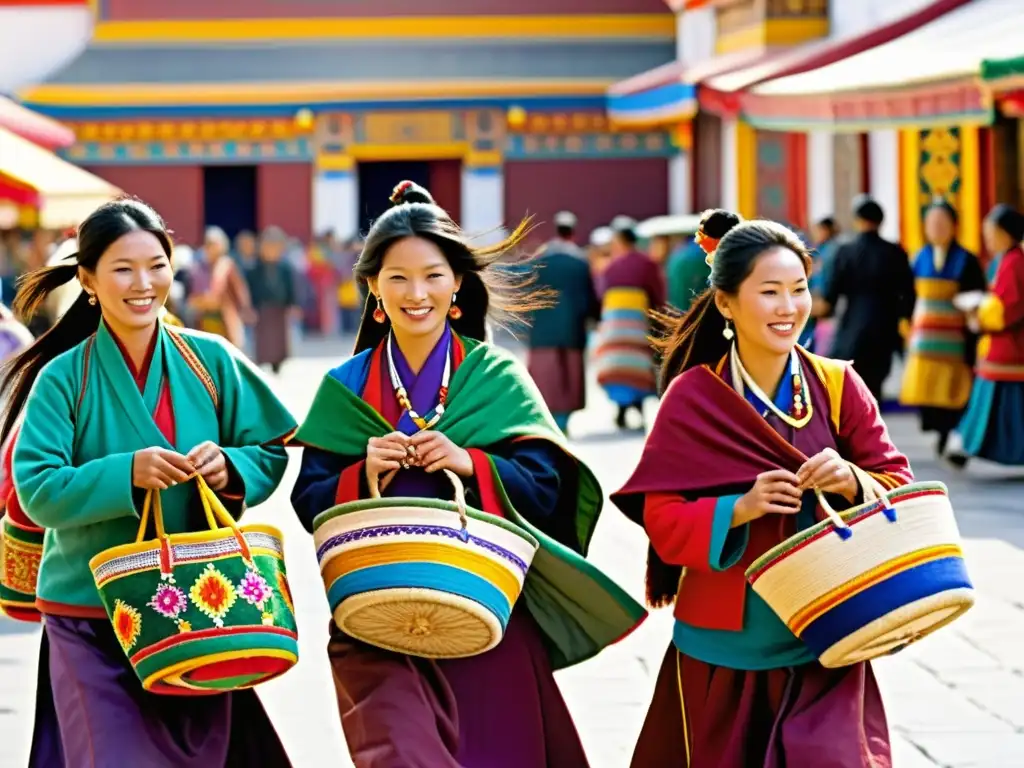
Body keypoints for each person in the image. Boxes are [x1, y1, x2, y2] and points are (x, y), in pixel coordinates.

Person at [289, 181, 645, 768]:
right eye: (397, 277)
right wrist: (361, 473)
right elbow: (309, 501)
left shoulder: (496, 377)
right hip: (376, 614)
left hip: (486, 610)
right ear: (373, 288)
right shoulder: (345, 387)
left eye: (432, 275)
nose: (416, 292)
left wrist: (469, 463)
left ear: (458, 284)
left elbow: (547, 490)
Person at [3, 198, 298, 766]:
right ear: (88, 279)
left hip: (198, 607)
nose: (144, 283)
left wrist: (231, 467)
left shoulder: (211, 359)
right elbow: (37, 489)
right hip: (88, 617)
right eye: (122, 269)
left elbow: (270, 447)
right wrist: (126, 474)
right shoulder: (63, 377)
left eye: (156, 265)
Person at [611, 219, 913, 767]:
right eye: (769, 291)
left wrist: (852, 479)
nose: (788, 306)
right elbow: (663, 516)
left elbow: (900, 486)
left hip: (826, 633)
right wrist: (738, 508)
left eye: (798, 289)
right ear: (726, 304)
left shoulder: (839, 385)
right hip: (726, 645)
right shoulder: (695, 396)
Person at [899, 200, 986, 456]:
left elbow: (976, 295)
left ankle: (950, 432)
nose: (936, 228)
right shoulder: (918, 257)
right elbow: (908, 296)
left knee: (955, 390)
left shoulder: (966, 259)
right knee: (928, 393)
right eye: (932, 223)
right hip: (925, 338)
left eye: (942, 223)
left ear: (954, 226)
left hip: (956, 339)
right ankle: (938, 430)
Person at [816, 195, 916, 402]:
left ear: (857, 220)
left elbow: (831, 295)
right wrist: (904, 319)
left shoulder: (845, 252)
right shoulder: (895, 252)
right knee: (875, 386)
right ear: (881, 221)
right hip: (884, 327)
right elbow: (908, 293)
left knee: (850, 387)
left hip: (852, 326)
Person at [948, 204, 1024, 466]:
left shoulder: (1014, 261)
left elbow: (1010, 306)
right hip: (1001, 344)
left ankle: (965, 444)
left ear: (1007, 233)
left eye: (992, 233)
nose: (988, 240)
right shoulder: (1004, 260)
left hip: (1010, 347)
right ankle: (965, 443)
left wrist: (979, 313)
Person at [525, 210, 600, 434]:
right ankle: (563, 421)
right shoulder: (579, 262)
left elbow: (528, 296)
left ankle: (547, 421)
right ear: (573, 232)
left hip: (542, 331)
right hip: (571, 328)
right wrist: (594, 319)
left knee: (546, 378)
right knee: (569, 378)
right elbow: (589, 298)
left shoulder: (541, 260)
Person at [593, 215, 666, 430]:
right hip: (638, 324)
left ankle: (622, 409)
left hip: (614, 325)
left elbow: (600, 296)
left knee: (618, 365)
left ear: (618, 240)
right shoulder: (648, 264)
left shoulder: (609, 267)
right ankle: (637, 406)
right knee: (639, 365)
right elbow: (657, 296)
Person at [188, 226, 253, 349]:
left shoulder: (227, 265)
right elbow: (192, 293)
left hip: (225, 317)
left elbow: (239, 289)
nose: (214, 248)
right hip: (204, 317)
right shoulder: (198, 267)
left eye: (216, 244)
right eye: (210, 244)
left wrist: (245, 308)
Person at [248, 225, 300, 374]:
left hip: (280, 308)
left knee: (279, 339)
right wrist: (249, 307)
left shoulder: (285, 267)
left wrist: (293, 305)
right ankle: (262, 360)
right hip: (261, 308)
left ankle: (278, 363)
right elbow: (249, 289)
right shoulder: (254, 267)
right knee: (264, 338)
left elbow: (291, 288)